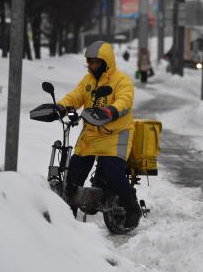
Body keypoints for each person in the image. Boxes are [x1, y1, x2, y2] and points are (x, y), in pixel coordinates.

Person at [55, 41, 142, 228]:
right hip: (91, 133)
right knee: (73, 174)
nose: (92, 65)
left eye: (96, 61)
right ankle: (66, 218)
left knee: (113, 173)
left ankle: (132, 206)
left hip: (116, 134)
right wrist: (61, 106)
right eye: (90, 62)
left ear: (106, 61)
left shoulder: (121, 80)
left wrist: (110, 110)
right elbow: (75, 96)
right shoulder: (88, 81)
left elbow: (124, 101)